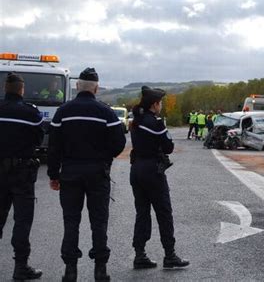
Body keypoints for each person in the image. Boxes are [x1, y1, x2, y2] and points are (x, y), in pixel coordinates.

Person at [47, 68, 126, 282]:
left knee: (71, 221)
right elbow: (119, 143)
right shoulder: (106, 113)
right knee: (99, 221)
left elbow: (53, 147)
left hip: (70, 172)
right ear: (96, 88)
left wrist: (54, 175)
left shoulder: (63, 111)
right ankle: (100, 270)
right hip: (97, 174)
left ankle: (70, 270)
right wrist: (104, 159)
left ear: (76, 86)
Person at [129, 86, 189, 270]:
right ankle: (169, 255)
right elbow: (169, 147)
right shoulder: (155, 123)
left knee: (142, 213)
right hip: (152, 171)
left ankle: (139, 254)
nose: (161, 105)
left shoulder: (136, 121)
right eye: (160, 102)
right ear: (155, 104)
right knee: (164, 212)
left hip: (136, 169)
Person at [0, 73, 44, 280]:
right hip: (21, 172)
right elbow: (38, 138)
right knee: (22, 220)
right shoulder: (31, 113)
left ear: (5, 89)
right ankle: (20, 267)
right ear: (21, 90)